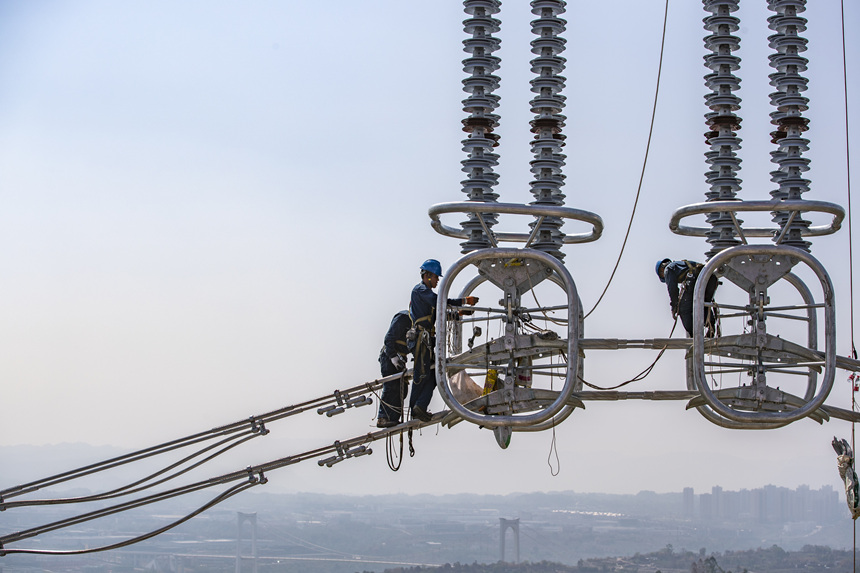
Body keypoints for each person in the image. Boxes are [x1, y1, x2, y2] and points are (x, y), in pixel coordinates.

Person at [408, 259, 478, 422]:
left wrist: (459, 314)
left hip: (426, 340)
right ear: (428, 275)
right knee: (422, 376)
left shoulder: (425, 296)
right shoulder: (420, 290)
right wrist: (464, 301)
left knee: (433, 377)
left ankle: (419, 407)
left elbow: (439, 313)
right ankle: (415, 409)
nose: (438, 280)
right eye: (436, 277)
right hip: (421, 339)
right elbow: (440, 302)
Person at [655, 258, 719, 338]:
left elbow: (672, 289)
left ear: (661, 270)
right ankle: (711, 328)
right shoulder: (680, 265)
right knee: (702, 304)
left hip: (695, 279)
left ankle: (695, 337)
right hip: (711, 278)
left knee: (683, 309)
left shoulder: (668, 269)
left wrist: (674, 306)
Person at [376, 310, 411, 428]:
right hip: (389, 356)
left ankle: (393, 418)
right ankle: (383, 417)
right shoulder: (403, 317)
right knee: (391, 386)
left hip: (400, 358)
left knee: (402, 389)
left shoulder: (416, 324)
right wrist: (393, 357)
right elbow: (388, 339)